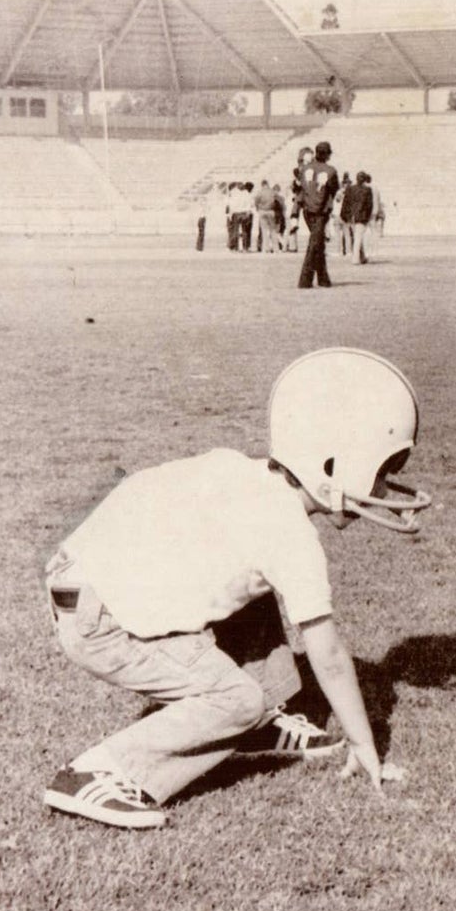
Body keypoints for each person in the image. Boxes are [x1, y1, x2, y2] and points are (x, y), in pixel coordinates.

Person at [41, 349, 432, 829]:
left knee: (254, 583)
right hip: (100, 617)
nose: (385, 488)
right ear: (333, 461)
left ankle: (256, 728)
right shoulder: (291, 535)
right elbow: (327, 654)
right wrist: (363, 743)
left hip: (80, 578)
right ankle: (101, 773)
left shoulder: (245, 474)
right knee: (238, 700)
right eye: (381, 470)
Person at [297, 142, 340, 289]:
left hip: (307, 210)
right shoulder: (331, 171)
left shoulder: (305, 169)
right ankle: (305, 280)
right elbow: (334, 190)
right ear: (328, 154)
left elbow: (300, 188)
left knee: (318, 243)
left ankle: (323, 278)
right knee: (314, 245)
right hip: (320, 212)